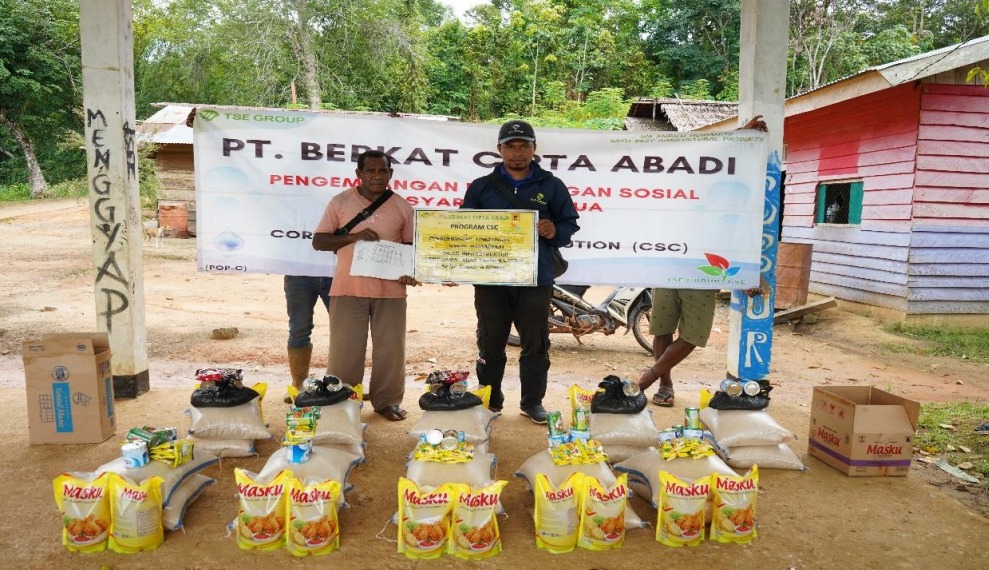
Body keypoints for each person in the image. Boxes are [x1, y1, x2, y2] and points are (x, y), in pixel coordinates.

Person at [638, 116, 769, 407]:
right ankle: (665, 383)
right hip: (666, 262)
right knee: (661, 327)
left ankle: (648, 377)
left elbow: (737, 235)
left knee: (693, 334)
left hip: (702, 268)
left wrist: (742, 137)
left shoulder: (719, 193)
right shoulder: (672, 182)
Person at [462, 120, 580, 424]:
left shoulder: (551, 185)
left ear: (534, 149)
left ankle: (532, 402)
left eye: (524, 145)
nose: (517, 152)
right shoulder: (481, 187)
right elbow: (462, 230)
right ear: (499, 149)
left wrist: (555, 229)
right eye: (511, 146)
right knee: (491, 339)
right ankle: (490, 399)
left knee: (536, 340)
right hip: (491, 278)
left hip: (535, 278)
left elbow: (569, 224)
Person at [312, 150, 419, 421]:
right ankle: (342, 402)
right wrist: (355, 237)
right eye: (370, 170)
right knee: (344, 352)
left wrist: (409, 272)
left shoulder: (402, 207)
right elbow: (320, 242)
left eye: (382, 171)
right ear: (358, 174)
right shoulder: (340, 202)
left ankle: (387, 402)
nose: (376, 176)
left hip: (391, 292)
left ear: (390, 175)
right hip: (348, 289)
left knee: (391, 351)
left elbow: (410, 248)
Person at [283, 275, 332, 403]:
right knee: (298, 330)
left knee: (344, 331)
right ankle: (299, 387)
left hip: (334, 271)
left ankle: (344, 385)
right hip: (299, 273)